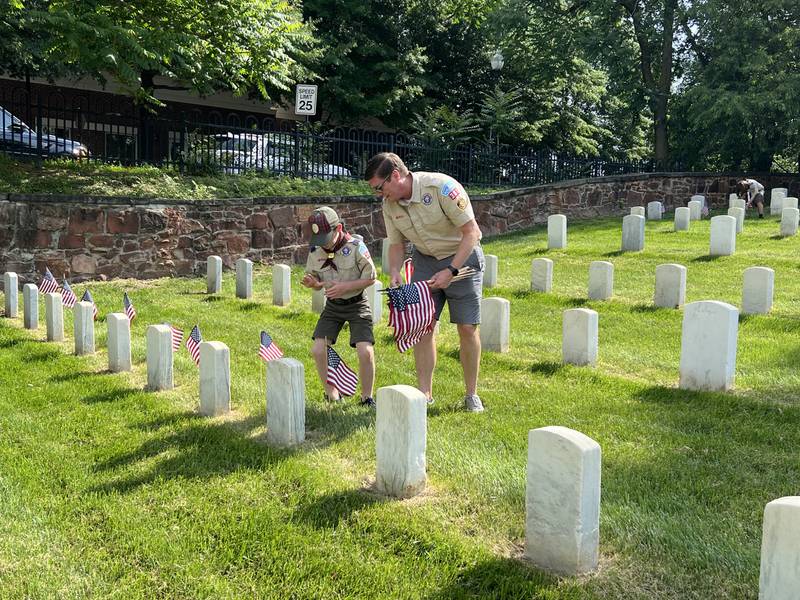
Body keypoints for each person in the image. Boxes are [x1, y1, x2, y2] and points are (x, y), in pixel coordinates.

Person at [364, 152, 485, 413]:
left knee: (466, 327)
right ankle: (425, 394)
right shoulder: (390, 205)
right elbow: (396, 244)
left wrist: (451, 271)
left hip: (462, 258)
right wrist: (395, 271)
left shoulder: (442, 187)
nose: (378, 194)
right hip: (425, 261)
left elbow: (471, 232)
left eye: (378, 187)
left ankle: (471, 394)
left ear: (395, 176)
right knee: (423, 326)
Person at [301, 206, 377, 407]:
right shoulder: (316, 250)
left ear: (339, 229)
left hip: (357, 304)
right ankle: (332, 394)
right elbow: (316, 279)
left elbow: (370, 278)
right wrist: (314, 284)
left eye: (326, 239)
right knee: (318, 349)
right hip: (333, 307)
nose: (323, 245)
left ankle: (366, 397)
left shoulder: (355, 248)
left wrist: (345, 287)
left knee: (365, 351)